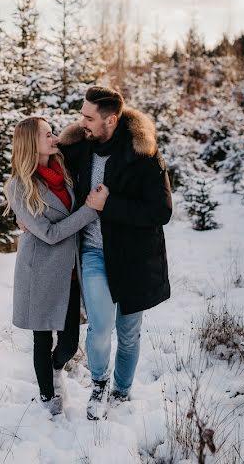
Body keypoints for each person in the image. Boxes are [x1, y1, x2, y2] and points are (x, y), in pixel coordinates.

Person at [58, 86, 173, 420]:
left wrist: (109, 205)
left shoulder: (144, 154)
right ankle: (100, 383)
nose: (82, 122)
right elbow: (38, 171)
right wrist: (23, 211)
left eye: (89, 117)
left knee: (129, 331)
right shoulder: (79, 146)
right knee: (100, 326)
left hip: (134, 258)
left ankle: (122, 392)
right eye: (82, 115)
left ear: (110, 120)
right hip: (94, 251)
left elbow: (161, 211)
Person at [3, 116, 109, 416]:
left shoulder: (62, 168)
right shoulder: (18, 186)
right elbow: (48, 234)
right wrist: (90, 211)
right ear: (30, 143)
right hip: (40, 270)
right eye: (47, 135)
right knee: (41, 337)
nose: (54, 138)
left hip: (70, 268)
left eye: (52, 133)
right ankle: (48, 396)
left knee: (70, 342)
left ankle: (54, 367)